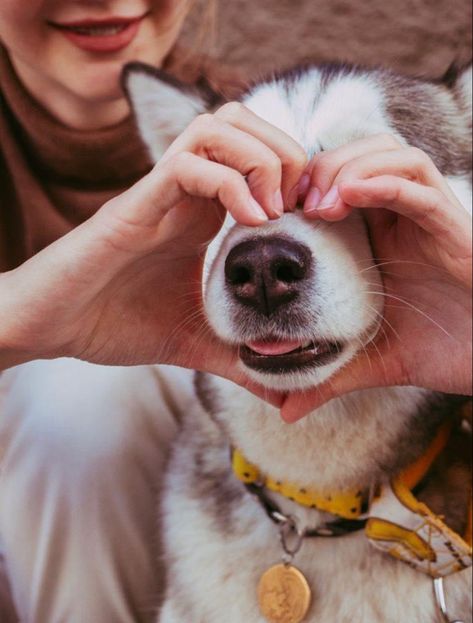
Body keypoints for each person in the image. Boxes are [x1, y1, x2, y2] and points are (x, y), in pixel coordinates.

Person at [0, 1, 470, 622]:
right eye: (238, 194)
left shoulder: (246, 103)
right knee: (74, 392)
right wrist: (29, 316)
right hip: (212, 499)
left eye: (370, 194)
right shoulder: (212, 127)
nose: (265, 262)